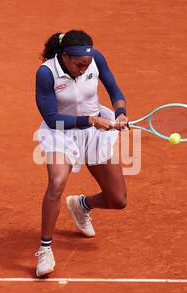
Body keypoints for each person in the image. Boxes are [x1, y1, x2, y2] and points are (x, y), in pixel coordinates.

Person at [34, 30, 128, 277]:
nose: (84, 69)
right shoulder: (46, 73)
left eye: (87, 65)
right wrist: (91, 120)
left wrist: (120, 112)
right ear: (64, 56)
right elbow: (53, 119)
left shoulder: (96, 59)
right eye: (79, 65)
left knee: (118, 200)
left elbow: (115, 91)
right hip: (62, 132)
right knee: (56, 183)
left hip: (95, 129)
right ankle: (45, 249)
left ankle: (81, 205)